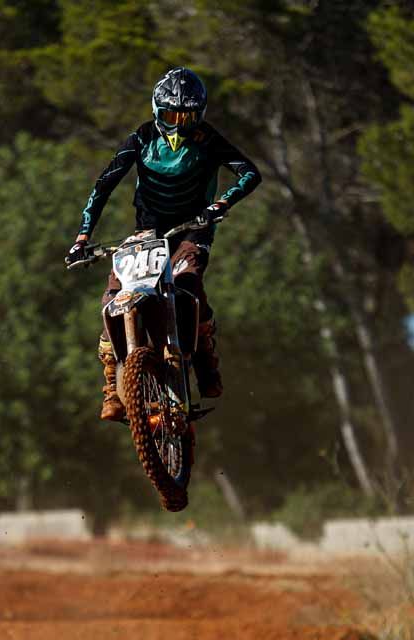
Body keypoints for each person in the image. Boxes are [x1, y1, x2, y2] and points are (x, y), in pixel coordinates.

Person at [66, 67, 261, 421]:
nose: (179, 125)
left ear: (200, 115)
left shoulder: (208, 139)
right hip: (149, 230)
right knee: (113, 295)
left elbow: (250, 173)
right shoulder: (140, 138)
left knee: (188, 281)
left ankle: (205, 359)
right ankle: (112, 384)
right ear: (158, 111)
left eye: (188, 116)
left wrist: (219, 206)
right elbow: (104, 184)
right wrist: (83, 236)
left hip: (194, 227)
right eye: (172, 115)